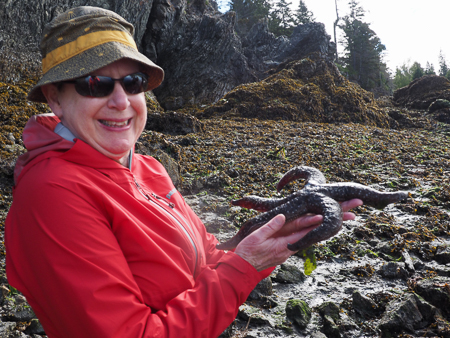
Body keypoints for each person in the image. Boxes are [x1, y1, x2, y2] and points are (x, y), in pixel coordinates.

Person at [5, 6, 362, 338]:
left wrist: (272, 232)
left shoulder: (149, 169)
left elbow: (205, 258)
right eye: (94, 84)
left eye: (132, 83)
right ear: (54, 98)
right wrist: (244, 266)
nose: (120, 101)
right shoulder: (52, 193)